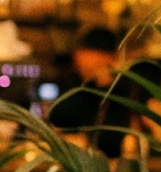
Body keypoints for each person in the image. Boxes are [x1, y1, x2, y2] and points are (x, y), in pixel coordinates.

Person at [49, 25, 131, 155]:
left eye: (82, 53)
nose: (77, 60)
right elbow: (57, 115)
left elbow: (112, 138)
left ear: (105, 57)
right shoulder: (82, 88)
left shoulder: (127, 91)